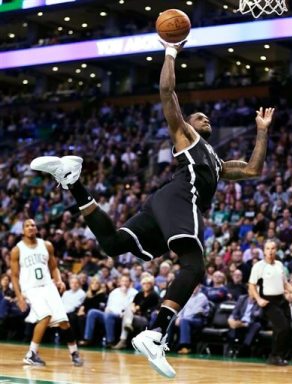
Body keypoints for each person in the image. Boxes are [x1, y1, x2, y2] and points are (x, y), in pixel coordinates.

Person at [30, 40, 274, 377]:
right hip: (178, 198)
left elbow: (253, 170)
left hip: (163, 204)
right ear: (187, 124)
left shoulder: (216, 162)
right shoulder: (187, 137)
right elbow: (166, 92)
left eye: (206, 118)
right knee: (193, 264)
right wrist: (171, 51)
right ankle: (156, 331)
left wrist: (262, 132)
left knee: (114, 244)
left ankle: (72, 180)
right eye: (198, 115)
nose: (205, 118)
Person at [11, 219, 83, 367]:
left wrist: (59, 280)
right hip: (31, 288)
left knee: (63, 321)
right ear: (22, 230)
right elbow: (14, 275)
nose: (31, 227)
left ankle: (74, 353)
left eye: (33, 225)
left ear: (36, 229)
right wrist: (19, 296)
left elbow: (54, 267)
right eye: (27, 225)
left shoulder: (47, 245)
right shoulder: (17, 250)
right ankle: (31, 354)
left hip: (48, 286)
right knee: (45, 316)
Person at [248, 239, 292, 366]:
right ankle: (275, 355)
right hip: (268, 301)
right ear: (264, 251)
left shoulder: (280, 265)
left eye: (273, 248)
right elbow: (251, 285)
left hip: (281, 300)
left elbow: (285, 283)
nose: (270, 251)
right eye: (267, 248)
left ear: (276, 250)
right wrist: (258, 299)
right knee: (282, 327)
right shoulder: (258, 266)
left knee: (285, 328)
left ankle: (278, 356)